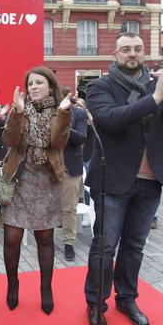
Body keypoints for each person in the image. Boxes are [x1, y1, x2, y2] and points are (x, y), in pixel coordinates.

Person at [83, 33, 163, 325]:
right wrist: (155, 97)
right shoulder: (100, 86)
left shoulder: (160, 85)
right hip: (113, 180)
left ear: (145, 53)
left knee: (134, 246)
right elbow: (112, 119)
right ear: (115, 53)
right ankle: (96, 303)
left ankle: (127, 298)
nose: (133, 54)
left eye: (138, 49)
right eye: (126, 49)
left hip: (151, 180)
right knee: (105, 247)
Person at [1, 66, 73, 315]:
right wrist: (18, 113)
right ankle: (12, 285)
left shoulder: (60, 111)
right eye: (30, 83)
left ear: (50, 85)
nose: (33, 87)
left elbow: (58, 142)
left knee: (45, 239)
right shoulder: (20, 110)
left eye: (38, 83)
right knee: (12, 239)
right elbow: (9, 141)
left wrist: (63, 113)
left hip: (47, 182)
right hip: (19, 180)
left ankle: (46, 289)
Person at [60, 86, 88, 261]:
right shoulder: (50, 114)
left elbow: (80, 138)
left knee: (70, 207)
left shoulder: (79, 114)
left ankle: (68, 242)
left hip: (71, 166)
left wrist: (62, 125)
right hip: (50, 166)